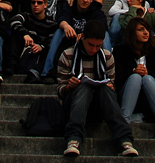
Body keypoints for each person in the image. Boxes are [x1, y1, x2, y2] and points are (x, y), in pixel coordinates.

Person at [57, 19, 138, 157]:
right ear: (82, 37)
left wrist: (110, 86)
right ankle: (73, 138)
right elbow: (60, 91)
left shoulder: (107, 56)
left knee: (104, 89)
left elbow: (112, 83)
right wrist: (70, 87)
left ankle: (124, 139)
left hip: (99, 106)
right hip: (75, 104)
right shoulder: (68, 55)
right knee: (84, 88)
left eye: (98, 46)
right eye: (91, 45)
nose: (94, 49)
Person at [113, 17, 155, 138]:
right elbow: (117, 80)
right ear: (132, 33)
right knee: (135, 78)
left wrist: (147, 73)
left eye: (147, 30)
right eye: (141, 29)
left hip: (148, 98)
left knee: (147, 78)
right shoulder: (120, 51)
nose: (146, 32)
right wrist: (133, 72)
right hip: (128, 97)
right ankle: (124, 122)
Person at [41, 0, 107, 80]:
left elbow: (102, 25)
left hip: (90, 41)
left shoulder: (97, 12)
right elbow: (61, 19)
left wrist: (85, 34)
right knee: (59, 32)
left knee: (106, 35)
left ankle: (107, 71)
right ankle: (47, 71)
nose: (85, 0)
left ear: (92, 0)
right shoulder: (70, 9)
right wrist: (66, 25)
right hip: (70, 41)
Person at [9, 0, 58, 83]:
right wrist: (25, 34)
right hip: (25, 48)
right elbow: (13, 20)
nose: (35, 5)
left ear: (45, 5)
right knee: (15, 32)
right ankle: (11, 66)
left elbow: (51, 42)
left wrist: (41, 47)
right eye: (33, 2)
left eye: (39, 3)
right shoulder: (26, 16)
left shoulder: (51, 23)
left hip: (41, 53)